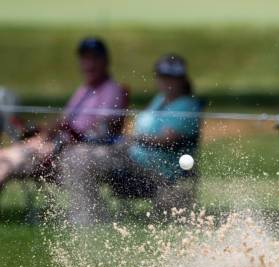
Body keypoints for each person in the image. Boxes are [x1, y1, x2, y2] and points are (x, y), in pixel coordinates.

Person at [60, 54, 201, 225]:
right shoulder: (160, 100)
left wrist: (134, 138)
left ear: (181, 79)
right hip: (131, 157)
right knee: (76, 156)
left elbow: (167, 139)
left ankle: (91, 218)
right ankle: (88, 214)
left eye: (172, 78)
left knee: (81, 159)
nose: (167, 82)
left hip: (155, 170)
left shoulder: (187, 105)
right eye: (163, 77)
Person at [0, 37, 127, 188]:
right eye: (84, 59)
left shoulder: (111, 90)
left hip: (74, 151)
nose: (88, 64)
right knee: (3, 159)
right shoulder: (85, 89)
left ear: (105, 61)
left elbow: (100, 132)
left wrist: (58, 140)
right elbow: (64, 120)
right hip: (57, 145)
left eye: (94, 58)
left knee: (6, 162)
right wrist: (42, 133)